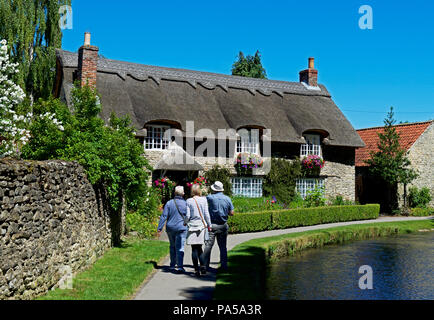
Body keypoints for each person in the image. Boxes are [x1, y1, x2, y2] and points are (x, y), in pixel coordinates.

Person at [203, 181, 234, 271]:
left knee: (208, 246)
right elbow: (232, 213)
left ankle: (205, 265)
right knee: (223, 247)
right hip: (223, 225)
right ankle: (224, 266)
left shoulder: (210, 197)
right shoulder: (227, 199)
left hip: (212, 225)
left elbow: (203, 201)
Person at [157, 186, 188, 273]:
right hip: (181, 227)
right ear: (183, 194)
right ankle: (180, 266)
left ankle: (172, 265)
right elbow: (188, 216)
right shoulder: (185, 204)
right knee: (180, 247)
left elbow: (164, 216)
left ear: (174, 193)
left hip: (170, 228)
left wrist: (160, 228)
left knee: (172, 246)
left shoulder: (169, 203)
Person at [185, 184, 212, 276]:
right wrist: (209, 225)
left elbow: (188, 215)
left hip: (192, 226)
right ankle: (203, 267)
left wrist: (185, 222)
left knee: (194, 249)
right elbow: (206, 214)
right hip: (201, 226)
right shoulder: (204, 200)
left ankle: (196, 269)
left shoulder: (188, 201)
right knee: (200, 248)